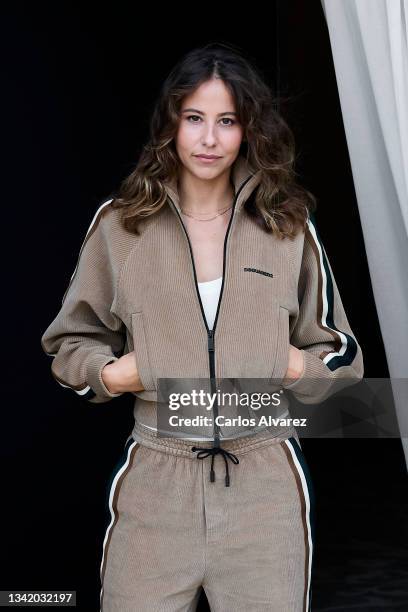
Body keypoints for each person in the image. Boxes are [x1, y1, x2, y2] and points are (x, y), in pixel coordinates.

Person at [41, 42, 364, 612]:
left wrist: (292, 364)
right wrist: (115, 374)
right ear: (171, 123)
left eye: (227, 122)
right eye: (194, 119)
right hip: (156, 479)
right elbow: (71, 340)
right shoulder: (122, 224)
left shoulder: (287, 226)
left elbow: (341, 355)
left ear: (249, 131)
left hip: (264, 482)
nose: (208, 139)